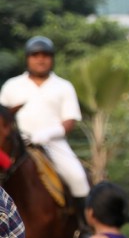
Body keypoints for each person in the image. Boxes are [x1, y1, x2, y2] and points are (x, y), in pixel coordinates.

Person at [0, 37, 90, 214]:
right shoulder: (12, 85)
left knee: (78, 177)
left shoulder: (63, 86)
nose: (40, 59)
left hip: (53, 143)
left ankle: (83, 227)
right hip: (19, 144)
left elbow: (70, 120)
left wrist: (49, 134)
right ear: (27, 58)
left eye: (45, 55)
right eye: (35, 55)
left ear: (52, 59)